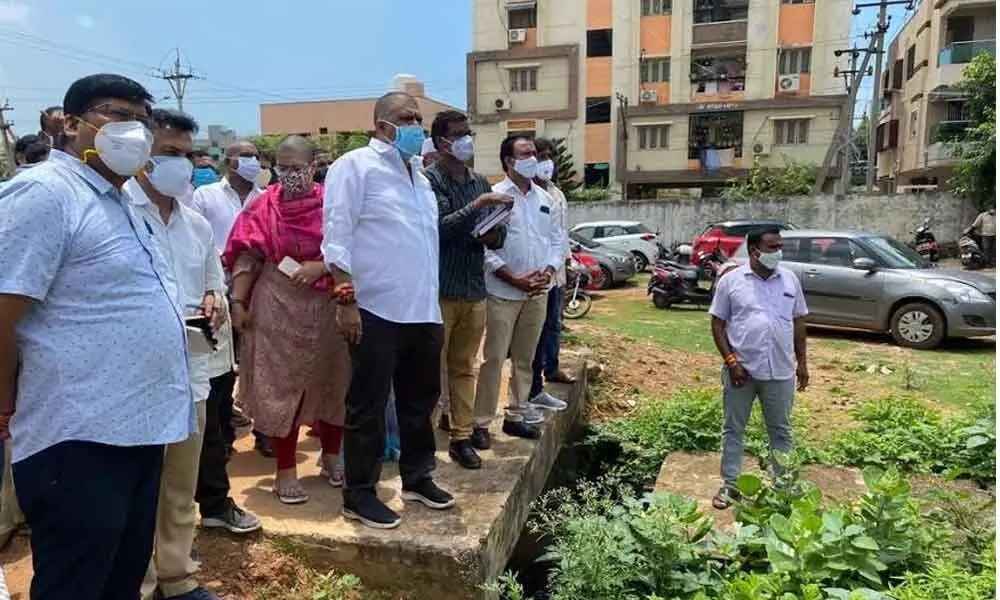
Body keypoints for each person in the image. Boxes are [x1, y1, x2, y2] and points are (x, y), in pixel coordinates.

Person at [0, 73, 194, 600]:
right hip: (79, 432)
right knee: (76, 582)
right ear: (69, 123)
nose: (132, 130)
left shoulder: (126, 202)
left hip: (140, 426)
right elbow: (4, 307)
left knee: (120, 577)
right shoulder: (44, 194)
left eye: (141, 120)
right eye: (117, 115)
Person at [125, 108, 258, 600]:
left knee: (180, 486)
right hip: (136, 379)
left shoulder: (196, 225)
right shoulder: (120, 212)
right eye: (168, 154)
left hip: (191, 370)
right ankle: (139, 582)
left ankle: (176, 576)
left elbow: (213, 284)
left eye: (185, 154)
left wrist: (215, 302)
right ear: (142, 157)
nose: (180, 165)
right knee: (139, 492)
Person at [323, 91, 452, 529]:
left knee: (420, 402)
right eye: (406, 117)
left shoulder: (421, 176)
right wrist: (346, 300)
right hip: (374, 308)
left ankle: (418, 477)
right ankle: (359, 493)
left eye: (419, 117)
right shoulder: (355, 166)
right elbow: (336, 234)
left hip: (421, 308)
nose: (416, 124)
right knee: (369, 405)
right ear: (382, 124)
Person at [225, 135, 350, 505]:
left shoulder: (335, 206)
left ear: (314, 166)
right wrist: (238, 301)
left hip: (329, 304)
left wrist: (322, 266)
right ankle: (285, 469)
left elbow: (357, 249)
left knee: (334, 380)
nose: (289, 174)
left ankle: (331, 456)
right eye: (282, 167)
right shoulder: (263, 207)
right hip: (277, 304)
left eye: (297, 167)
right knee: (283, 388)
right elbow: (247, 256)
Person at [423, 110, 512, 469]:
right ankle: (424, 443)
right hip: (440, 289)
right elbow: (439, 228)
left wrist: (492, 230)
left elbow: (498, 235)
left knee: (464, 368)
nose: (466, 141)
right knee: (429, 370)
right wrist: (478, 207)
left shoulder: (480, 181)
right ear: (442, 142)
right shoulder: (430, 181)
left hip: (474, 288)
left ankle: (461, 436)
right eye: (459, 135)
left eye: (468, 133)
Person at [473, 135, 568, 445]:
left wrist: (549, 271)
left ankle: (516, 414)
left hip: (537, 291)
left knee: (526, 359)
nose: (534, 160)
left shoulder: (545, 199)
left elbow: (556, 241)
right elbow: (484, 247)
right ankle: (482, 423)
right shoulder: (495, 196)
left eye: (534, 155)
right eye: (526, 154)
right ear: (509, 162)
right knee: (495, 358)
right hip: (502, 291)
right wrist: (513, 277)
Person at [707, 226, 809, 510]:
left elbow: (799, 321)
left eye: (780, 247)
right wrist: (731, 362)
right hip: (742, 372)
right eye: (772, 247)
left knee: (781, 431)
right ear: (754, 251)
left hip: (780, 371)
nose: (778, 252)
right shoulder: (732, 282)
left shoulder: (789, 280)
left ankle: (783, 487)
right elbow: (717, 323)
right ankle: (730, 486)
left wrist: (803, 362)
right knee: (733, 429)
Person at [190, 141, 271, 457]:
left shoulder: (266, 199)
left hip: (261, 292)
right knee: (221, 370)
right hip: (217, 292)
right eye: (245, 155)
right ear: (229, 161)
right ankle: (222, 434)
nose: (253, 161)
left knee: (262, 364)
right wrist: (220, 262)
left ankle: (266, 430)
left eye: (256, 156)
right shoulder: (205, 197)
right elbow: (196, 239)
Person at [528, 137, 576, 409]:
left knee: (555, 325)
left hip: (556, 272)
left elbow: (561, 233)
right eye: (540, 155)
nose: (546, 161)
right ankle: (533, 388)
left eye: (550, 156)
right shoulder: (528, 194)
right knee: (535, 333)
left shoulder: (557, 193)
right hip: (535, 275)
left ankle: (553, 367)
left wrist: (565, 262)